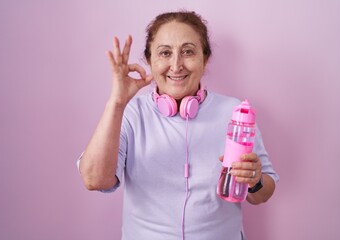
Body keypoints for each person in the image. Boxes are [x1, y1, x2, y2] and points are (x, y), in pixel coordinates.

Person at [77, 11, 279, 240]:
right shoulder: (131, 113)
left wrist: (255, 181)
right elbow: (94, 180)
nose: (176, 65)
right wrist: (117, 102)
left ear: (205, 58)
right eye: (165, 53)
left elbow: (263, 194)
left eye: (188, 52)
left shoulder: (235, 113)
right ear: (150, 60)